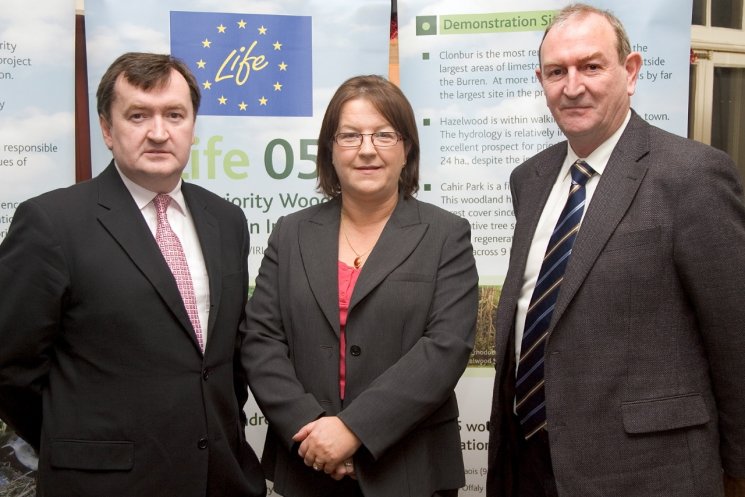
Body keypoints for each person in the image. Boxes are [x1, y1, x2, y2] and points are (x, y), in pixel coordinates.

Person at [486, 4, 745, 497]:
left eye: (591, 66)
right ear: (541, 81)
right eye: (557, 72)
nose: (573, 86)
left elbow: (735, 339)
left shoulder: (692, 175)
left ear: (630, 72)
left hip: (647, 473)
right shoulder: (530, 179)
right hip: (531, 464)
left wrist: (738, 472)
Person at [0, 52, 266, 497]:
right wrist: (74, 438)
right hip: (104, 484)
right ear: (107, 129)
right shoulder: (52, 223)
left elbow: (225, 362)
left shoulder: (227, 221)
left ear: (193, 126)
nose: (159, 132)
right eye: (138, 115)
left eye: (175, 115)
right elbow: (10, 367)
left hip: (220, 478)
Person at [240, 74, 479, 497]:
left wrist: (353, 430)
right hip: (308, 464)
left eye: (384, 135)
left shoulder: (446, 234)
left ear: (406, 149)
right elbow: (261, 340)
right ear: (330, 151)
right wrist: (312, 430)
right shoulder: (291, 233)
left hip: (410, 468)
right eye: (350, 135)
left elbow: (445, 347)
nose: (367, 149)